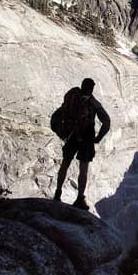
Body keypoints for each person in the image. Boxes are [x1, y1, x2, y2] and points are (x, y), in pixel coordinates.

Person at [54, 78, 110, 210]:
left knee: (65, 163)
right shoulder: (93, 103)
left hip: (72, 135)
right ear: (91, 88)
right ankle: (79, 198)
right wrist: (98, 138)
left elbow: (56, 116)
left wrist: (61, 132)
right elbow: (106, 122)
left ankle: (58, 192)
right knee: (83, 169)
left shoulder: (72, 98)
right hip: (87, 137)